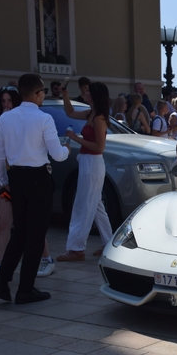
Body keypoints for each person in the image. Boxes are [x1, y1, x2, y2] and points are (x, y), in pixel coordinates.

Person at [0, 73, 70, 304]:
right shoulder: (44, 119)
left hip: (16, 177)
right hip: (38, 178)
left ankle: (2, 279)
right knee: (35, 234)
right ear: (37, 94)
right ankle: (25, 288)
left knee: (21, 231)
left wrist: (3, 180)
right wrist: (67, 150)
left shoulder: (5, 119)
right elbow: (57, 155)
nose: (44, 95)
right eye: (43, 91)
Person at [0, 86, 57, 284]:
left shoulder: (25, 121)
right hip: (8, 184)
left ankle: (46, 259)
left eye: (9, 101)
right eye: (2, 101)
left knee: (32, 225)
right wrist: (3, 182)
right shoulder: (5, 122)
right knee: (5, 223)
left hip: (23, 182)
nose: (6, 105)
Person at [57, 82, 113, 262]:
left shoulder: (99, 118)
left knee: (82, 206)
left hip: (92, 164)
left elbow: (99, 147)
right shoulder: (91, 114)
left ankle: (76, 248)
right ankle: (109, 243)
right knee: (96, 206)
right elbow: (70, 113)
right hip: (89, 163)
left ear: (95, 96)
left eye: (88, 91)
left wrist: (75, 139)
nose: (85, 93)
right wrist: (65, 96)